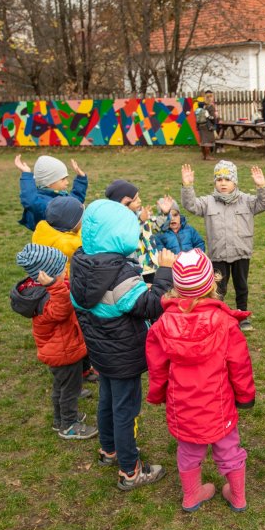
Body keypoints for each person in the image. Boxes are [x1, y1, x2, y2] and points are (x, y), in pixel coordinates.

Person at [69, 199, 176, 491]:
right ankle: (130, 470)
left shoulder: (81, 261)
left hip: (101, 350)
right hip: (124, 354)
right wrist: (164, 273)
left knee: (107, 399)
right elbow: (150, 305)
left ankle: (108, 449)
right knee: (125, 410)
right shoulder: (120, 274)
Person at [146, 249, 256, 512]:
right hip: (218, 403)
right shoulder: (224, 322)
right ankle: (237, 496)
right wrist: (245, 396)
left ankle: (192, 494)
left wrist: (158, 393)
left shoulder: (163, 323)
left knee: (189, 449)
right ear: (212, 283)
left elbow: (157, 366)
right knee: (228, 446)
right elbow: (240, 364)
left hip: (182, 403)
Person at [10, 244, 98, 440]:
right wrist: (56, 285)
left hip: (57, 350)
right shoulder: (48, 297)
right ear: (46, 277)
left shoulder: (37, 291)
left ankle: (60, 419)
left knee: (60, 387)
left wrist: (57, 283)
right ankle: (69, 425)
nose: (65, 272)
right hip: (64, 352)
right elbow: (62, 309)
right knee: (70, 390)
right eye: (61, 271)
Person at [181, 160, 265, 332]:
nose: (223, 183)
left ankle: (243, 315)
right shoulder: (208, 202)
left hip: (241, 253)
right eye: (219, 179)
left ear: (235, 182)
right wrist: (187, 186)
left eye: (227, 179)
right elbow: (190, 205)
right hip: (218, 254)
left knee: (241, 285)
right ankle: (218, 315)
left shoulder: (246, 200)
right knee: (218, 287)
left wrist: (262, 186)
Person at [31, 195, 99, 386]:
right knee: (77, 331)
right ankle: (75, 375)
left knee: (79, 332)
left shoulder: (46, 230)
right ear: (70, 223)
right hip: (68, 290)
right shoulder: (64, 243)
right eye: (81, 217)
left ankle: (84, 369)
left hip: (63, 288)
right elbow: (87, 244)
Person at [104, 179, 160, 284]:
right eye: (135, 199)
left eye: (138, 196)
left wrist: (164, 214)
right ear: (123, 203)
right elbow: (128, 236)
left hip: (151, 264)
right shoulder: (118, 221)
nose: (139, 200)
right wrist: (141, 221)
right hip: (137, 267)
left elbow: (159, 227)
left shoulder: (141, 213)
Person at [14, 155, 88, 231]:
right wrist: (27, 174)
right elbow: (30, 200)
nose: (67, 182)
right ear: (49, 183)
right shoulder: (45, 204)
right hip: (52, 242)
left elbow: (75, 204)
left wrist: (81, 179)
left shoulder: (58, 196)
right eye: (63, 179)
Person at [197, 90, 219, 160]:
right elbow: (212, 118)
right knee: (208, 141)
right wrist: (215, 119)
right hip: (208, 126)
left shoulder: (203, 106)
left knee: (203, 141)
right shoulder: (211, 107)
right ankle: (208, 156)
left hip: (201, 125)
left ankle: (204, 155)